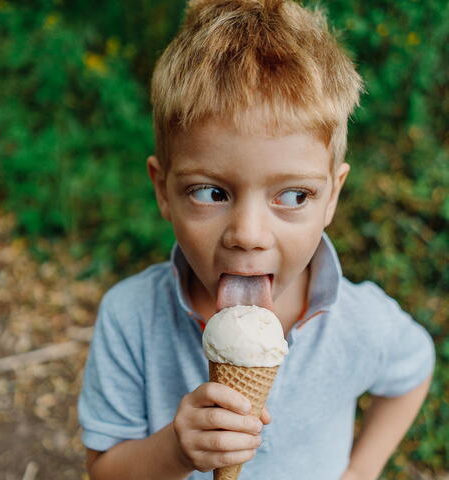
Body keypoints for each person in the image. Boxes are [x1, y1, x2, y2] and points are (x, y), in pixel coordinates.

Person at [77, 1, 436, 479]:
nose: (247, 235)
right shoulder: (131, 319)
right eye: (210, 192)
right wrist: (175, 452)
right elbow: (104, 472)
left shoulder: (358, 323)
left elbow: (414, 369)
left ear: (332, 197)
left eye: (293, 194)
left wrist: (361, 471)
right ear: (163, 190)